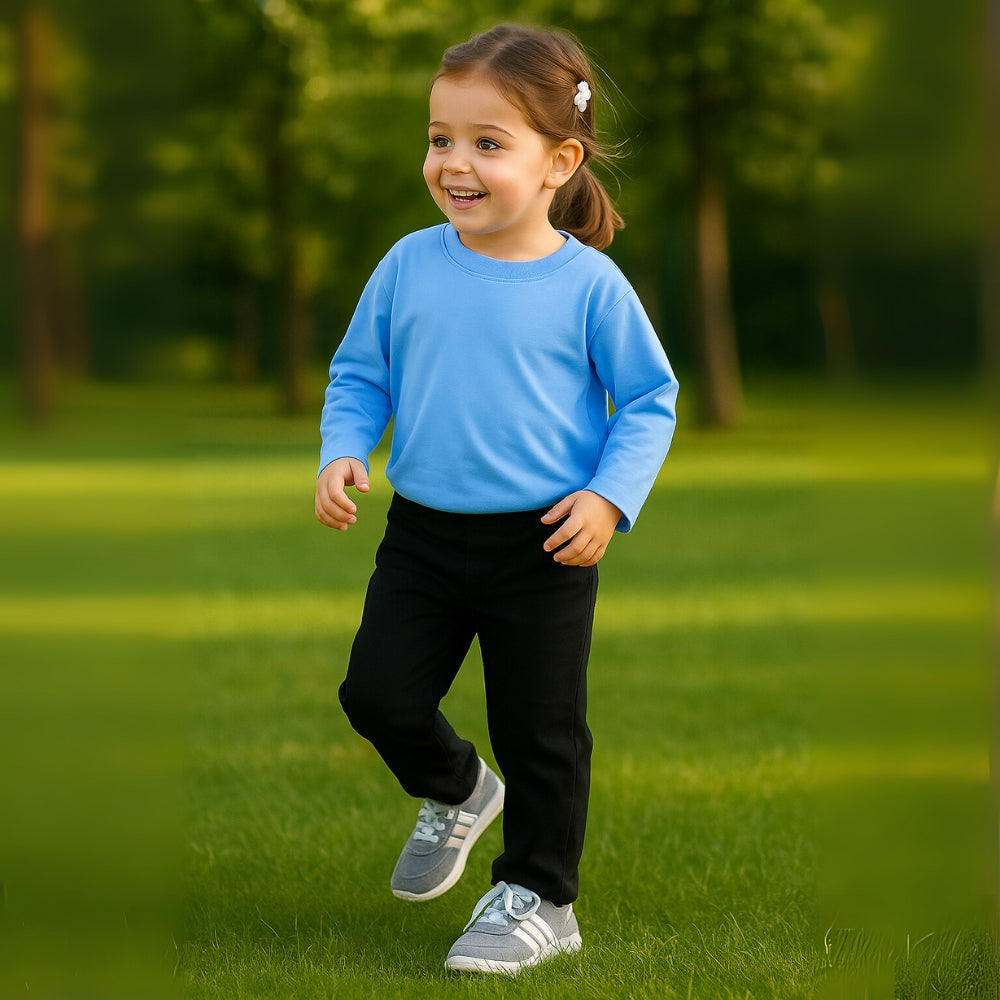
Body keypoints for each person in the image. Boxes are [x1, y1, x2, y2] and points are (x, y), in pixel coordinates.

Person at [315, 22, 678, 975]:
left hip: (546, 543)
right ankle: (458, 788)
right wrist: (344, 449)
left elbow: (649, 400)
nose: (454, 163)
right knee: (377, 694)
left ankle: (541, 896)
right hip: (425, 538)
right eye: (441, 138)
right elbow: (359, 374)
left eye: (487, 142)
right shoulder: (408, 264)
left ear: (560, 159)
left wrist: (609, 498)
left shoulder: (589, 285)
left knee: (541, 730)